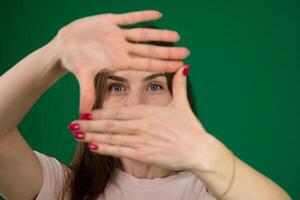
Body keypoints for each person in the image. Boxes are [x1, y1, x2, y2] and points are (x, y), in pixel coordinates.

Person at [0, 10, 291, 200]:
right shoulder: (62, 188)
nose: (135, 103)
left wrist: (206, 155)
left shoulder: (209, 191)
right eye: (117, 86)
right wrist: (56, 52)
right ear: (97, 103)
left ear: (178, 101)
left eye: (154, 86)